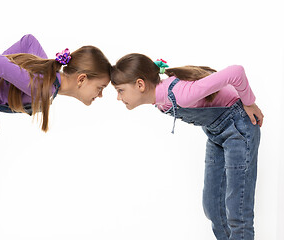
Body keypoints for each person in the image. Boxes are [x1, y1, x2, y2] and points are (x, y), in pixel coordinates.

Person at [0, 34, 111, 240]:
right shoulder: (43, 87)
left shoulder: (47, 77)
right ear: (82, 79)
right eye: (100, 88)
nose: (100, 95)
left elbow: (29, 41)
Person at [110, 53, 263, 240]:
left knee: (237, 211)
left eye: (120, 90)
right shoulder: (159, 100)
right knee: (213, 207)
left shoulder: (179, 94)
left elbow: (236, 72)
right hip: (217, 134)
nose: (118, 97)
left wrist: (249, 102)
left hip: (239, 129)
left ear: (140, 85)